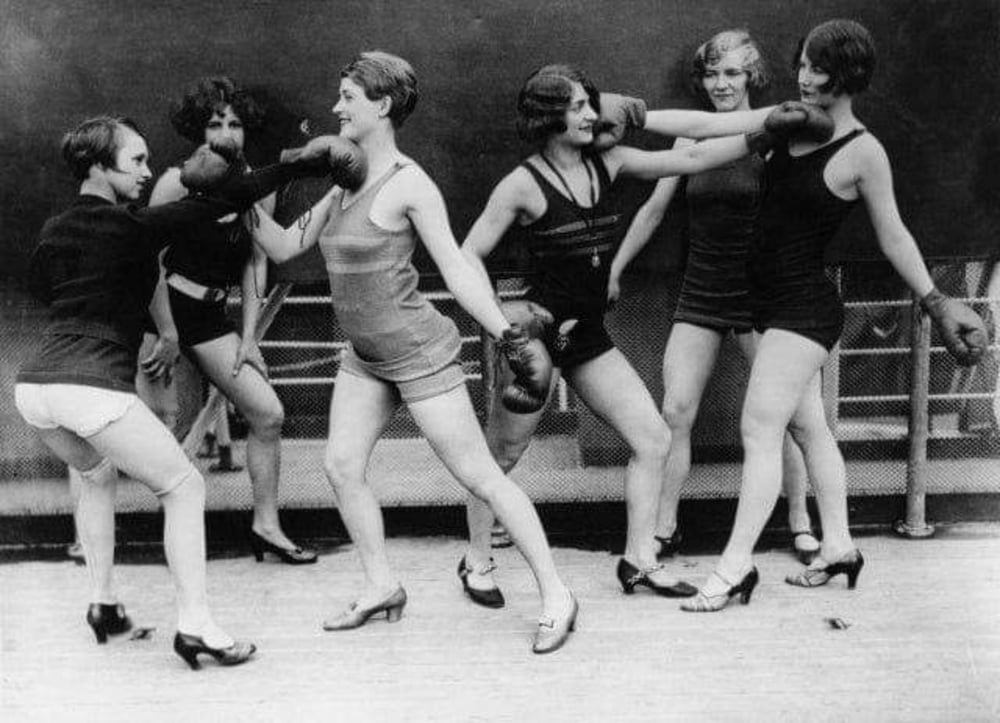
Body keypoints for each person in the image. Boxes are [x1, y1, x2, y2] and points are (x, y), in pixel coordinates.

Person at [248, 51, 580, 654]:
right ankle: (382, 587)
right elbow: (282, 245)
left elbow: (456, 268)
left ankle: (557, 594)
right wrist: (241, 190)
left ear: (381, 105)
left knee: (481, 477)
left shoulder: (409, 182)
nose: (335, 107)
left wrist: (506, 333)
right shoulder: (342, 183)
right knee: (341, 468)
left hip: (419, 353)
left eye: (347, 96)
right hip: (365, 357)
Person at [458, 64, 795, 606]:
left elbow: (688, 156)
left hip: (587, 335)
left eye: (590, 103)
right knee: (499, 456)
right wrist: (503, 326)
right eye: (577, 106)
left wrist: (762, 133)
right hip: (538, 338)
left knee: (654, 439)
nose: (592, 114)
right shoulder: (522, 184)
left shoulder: (608, 162)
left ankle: (639, 560)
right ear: (549, 116)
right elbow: (467, 255)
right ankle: (476, 561)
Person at [679, 19, 987, 612]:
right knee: (810, 427)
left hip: (803, 310)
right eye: (801, 63)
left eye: (818, 67)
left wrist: (936, 299)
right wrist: (637, 120)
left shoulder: (863, 152)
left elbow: (893, 235)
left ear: (846, 76)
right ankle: (839, 547)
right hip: (766, 302)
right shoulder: (793, 121)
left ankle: (734, 566)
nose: (803, 75)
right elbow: (709, 127)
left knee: (758, 428)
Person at [14, 115, 323, 667]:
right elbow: (222, 200)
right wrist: (300, 163)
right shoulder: (131, 226)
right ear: (97, 167)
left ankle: (104, 604)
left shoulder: (56, 228)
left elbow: (44, 287)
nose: (148, 171)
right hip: (89, 386)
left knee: (95, 473)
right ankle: (197, 628)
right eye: (135, 161)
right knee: (183, 488)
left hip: (35, 388)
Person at [609, 29, 820, 565]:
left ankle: (799, 520)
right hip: (701, 290)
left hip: (763, 298)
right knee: (675, 409)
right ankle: (664, 526)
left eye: (732, 73)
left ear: (752, 76)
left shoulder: (778, 133)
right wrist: (613, 268)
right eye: (712, 73)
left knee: (790, 416)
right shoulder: (689, 139)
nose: (721, 83)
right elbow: (653, 210)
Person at [149, 77, 315, 564]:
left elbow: (252, 262)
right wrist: (165, 333)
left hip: (208, 318)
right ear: (197, 131)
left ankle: (266, 527)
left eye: (235, 123)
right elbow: (147, 261)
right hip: (157, 315)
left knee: (268, 414)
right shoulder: (175, 181)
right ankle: (128, 539)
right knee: (161, 426)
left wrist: (248, 337)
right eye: (215, 122)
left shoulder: (255, 188)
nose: (226, 131)